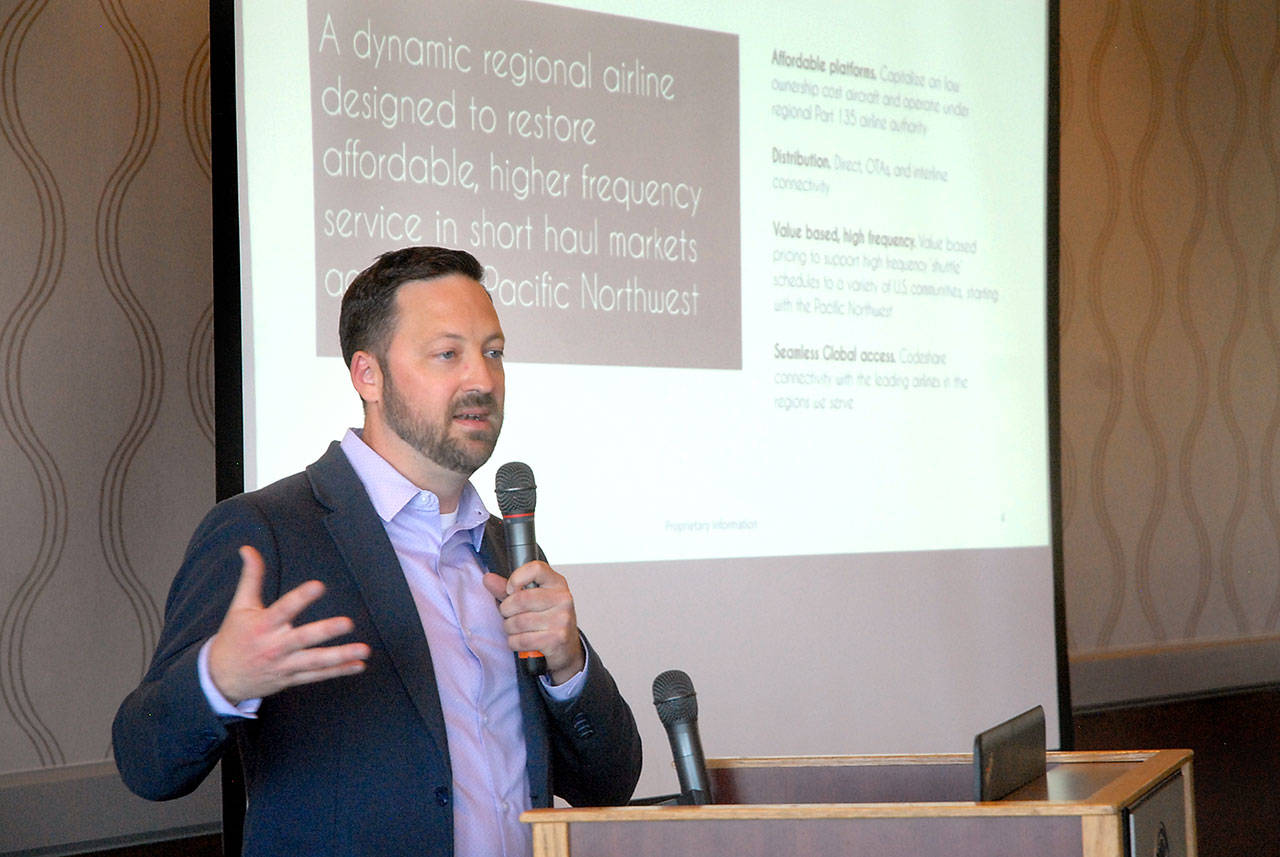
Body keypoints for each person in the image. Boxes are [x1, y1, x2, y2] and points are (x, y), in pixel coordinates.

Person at [112, 247, 643, 857]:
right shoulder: (267, 530)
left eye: (493, 352)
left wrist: (568, 665)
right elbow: (146, 764)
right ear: (368, 375)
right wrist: (219, 679)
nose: (482, 380)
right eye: (447, 354)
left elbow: (609, 784)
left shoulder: (506, 547)